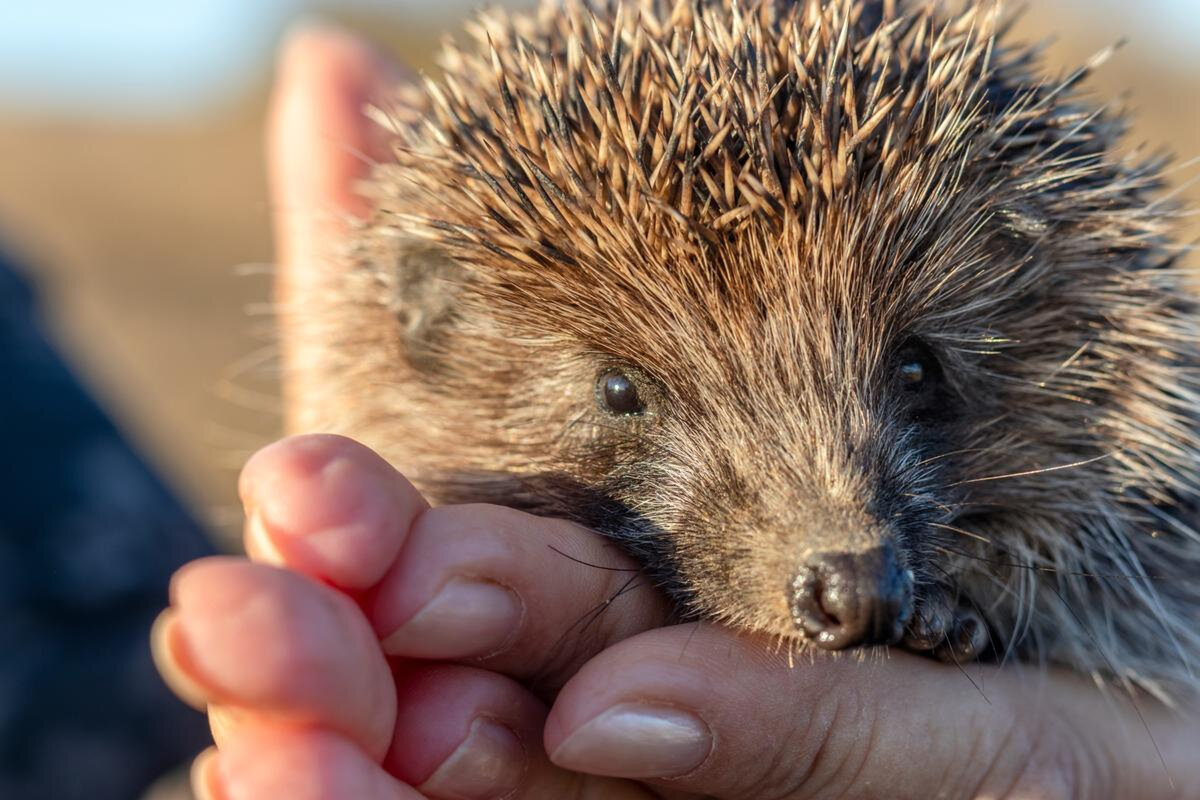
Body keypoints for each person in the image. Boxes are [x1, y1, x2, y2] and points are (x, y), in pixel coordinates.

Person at [151, 24, 1200, 800]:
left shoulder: (1094, 412)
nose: (847, 540)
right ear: (435, 328)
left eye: (915, 377)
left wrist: (996, 623)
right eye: (626, 396)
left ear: (1028, 278)